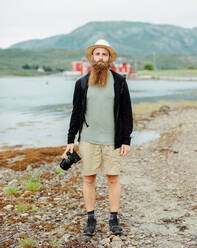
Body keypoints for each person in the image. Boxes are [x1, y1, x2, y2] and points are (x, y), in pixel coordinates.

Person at [63, 39, 133, 236]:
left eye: (104, 54)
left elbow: (127, 112)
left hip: (113, 140)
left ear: (109, 58)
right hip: (88, 139)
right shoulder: (81, 83)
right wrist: (70, 140)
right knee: (88, 179)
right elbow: (76, 112)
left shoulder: (119, 82)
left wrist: (126, 140)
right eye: (97, 54)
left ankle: (113, 218)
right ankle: (90, 218)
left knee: (113, 178)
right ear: (92, 58)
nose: (100, 57)